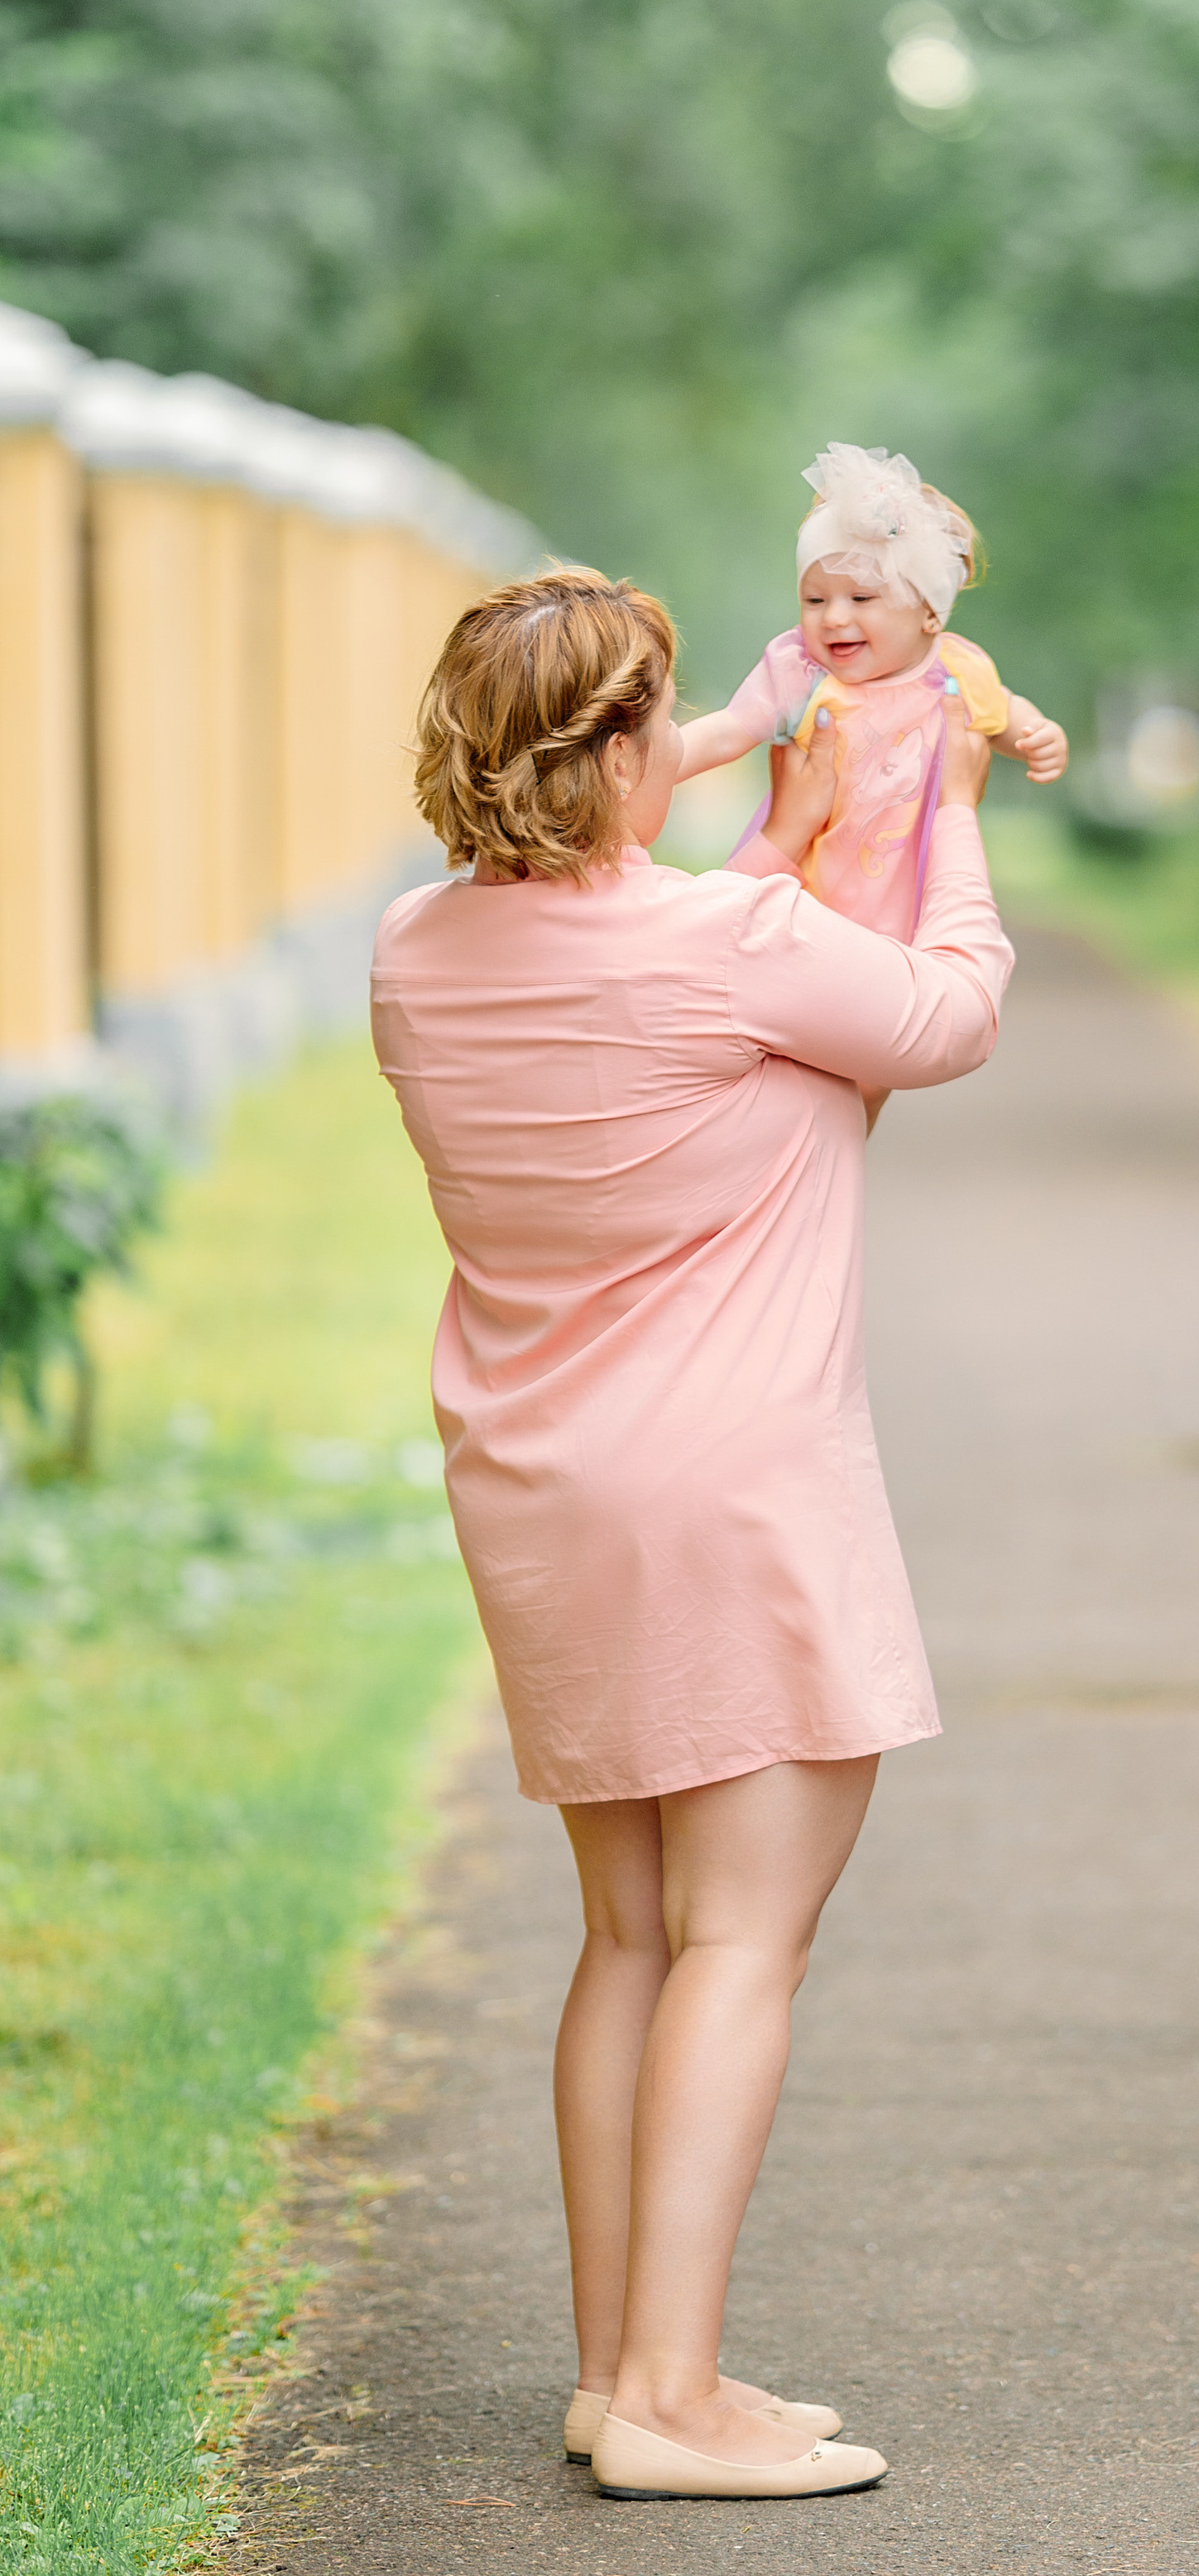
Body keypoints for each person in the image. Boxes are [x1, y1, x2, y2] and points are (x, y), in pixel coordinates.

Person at [369, 564, 1011, 2503]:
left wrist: (769, 861)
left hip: (546, 1501)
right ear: (628, 748)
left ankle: (617, 2371)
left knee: (629, 1935)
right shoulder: (732, 942)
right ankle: (671, 2395)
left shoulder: (415, 949)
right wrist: (949, 815)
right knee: (744, 1937)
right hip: (735, 1501)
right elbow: (947, 1014)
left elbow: (645, 995)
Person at [674, 438, 1068, 941]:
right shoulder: (802, 672)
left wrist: (1038, 734)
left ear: (930, 611)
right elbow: (729, 731)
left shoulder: (956, 670)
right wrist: (657, 761)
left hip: (913, 907)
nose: (835, 618)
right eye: (814, 599)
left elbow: (1006, 711)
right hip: (807, 903)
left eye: (862, 597)